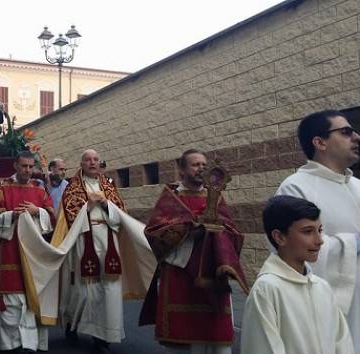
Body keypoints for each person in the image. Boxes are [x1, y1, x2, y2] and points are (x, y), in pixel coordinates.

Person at [140, 149, 247, 354]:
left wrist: (217, 229)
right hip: (181, 274)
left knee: (214, 333)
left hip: (212, 274)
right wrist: (188, 228)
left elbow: (234, 232)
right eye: (195, 165)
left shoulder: (215, 197)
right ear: (181, 169)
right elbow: (154, 232)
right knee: (184, 338)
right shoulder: (171, 196)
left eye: (204, 165)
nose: (201, 169)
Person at [55, 149, 154, 354]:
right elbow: (69, 218)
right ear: (81, 164)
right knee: (83, 291)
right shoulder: (72, 188)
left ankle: (102, 337)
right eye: (88, 160)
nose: (92, 163)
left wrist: (107, 205)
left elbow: (120, 215)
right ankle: (71, 326)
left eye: (95, 160)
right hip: (84, 241)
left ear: (99, 163)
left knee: (109, 289)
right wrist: (88, 207)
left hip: (109, 242)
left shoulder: (108, 186)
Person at [276, 109, 360, 350]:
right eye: (346, 132)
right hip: (332, 309)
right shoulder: (295, 188)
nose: (357, 137)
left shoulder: (358, 186)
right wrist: (353, 243)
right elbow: (292, 253)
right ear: (319, 142)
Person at [241, 195, 354, 354]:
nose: (319, 240)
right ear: (279, 237)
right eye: (308, 231)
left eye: (319, 230)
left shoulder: (322, 287)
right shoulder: (266, 290)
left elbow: (342, 343)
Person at [0, 151, 56, 352]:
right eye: (24, 166)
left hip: (34, 252)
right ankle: (9, 343)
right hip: (10, 248)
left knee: (33, 296)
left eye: (31, 166)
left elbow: (52, 218)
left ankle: (34, 343)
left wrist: (37, 211)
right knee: (12, 299)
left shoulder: (40, 191)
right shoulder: (2, 189)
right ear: (15, 165)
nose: (28, 170)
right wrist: (10, 216)